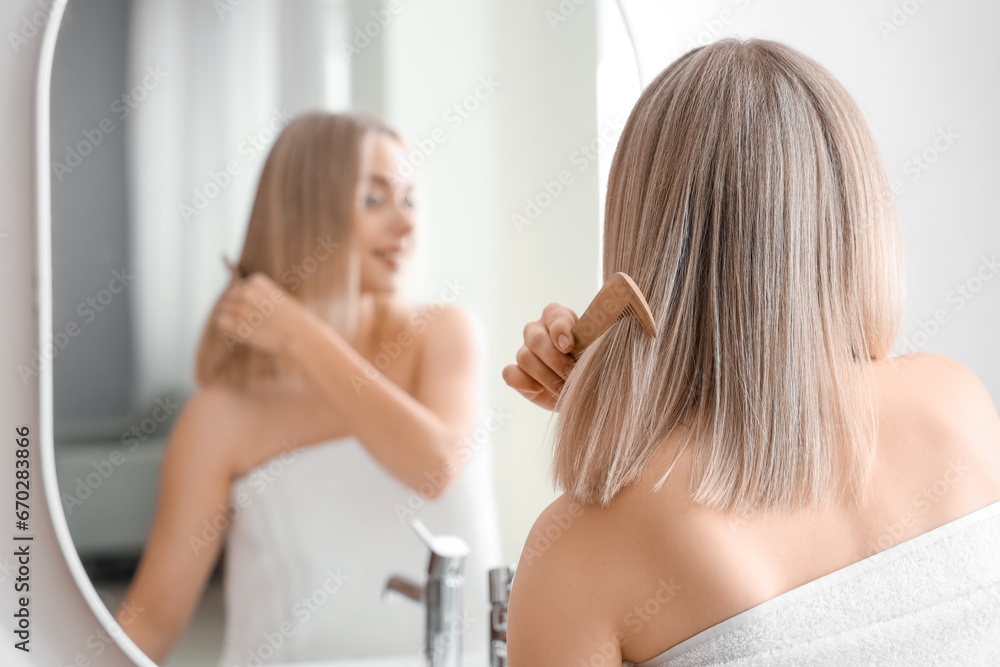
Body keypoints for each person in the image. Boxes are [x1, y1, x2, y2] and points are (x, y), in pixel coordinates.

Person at [502, 38, 1000, 665]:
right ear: (852, 218)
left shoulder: (580, 552)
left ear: (640, 237)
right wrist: (629, 416)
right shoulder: (954, 402)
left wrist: (628, 424)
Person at [114, 112, 502, 664]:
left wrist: (300, 334)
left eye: (410, 200)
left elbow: (434, 467)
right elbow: (151, 623)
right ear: (305, 216)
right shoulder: (219, 418)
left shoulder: (442, 335)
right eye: (374, 200)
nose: (407, 226)